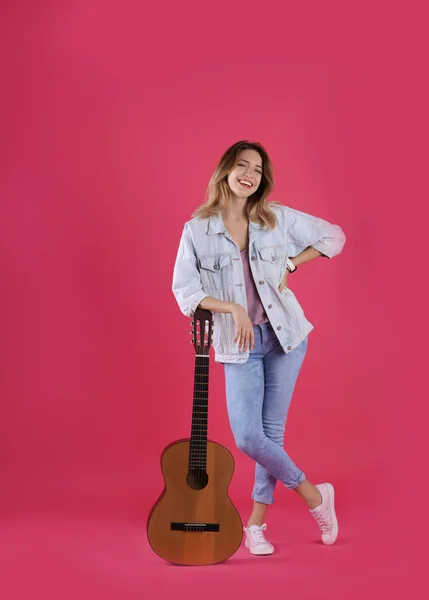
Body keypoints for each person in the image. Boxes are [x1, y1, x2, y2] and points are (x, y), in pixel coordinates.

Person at [172, 140, 346, 555]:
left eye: (257, 169)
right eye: (242, 165)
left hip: (286, 336)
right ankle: (314, 495)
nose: (249, 174)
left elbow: (333, 236)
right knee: (250, 436)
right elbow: (185, 292)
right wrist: (232, 307)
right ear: (226, 171)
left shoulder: (276, 219)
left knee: (271, 434)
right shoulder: (197, 229)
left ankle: (255, 526)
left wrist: (291, 263)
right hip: (239, 342)